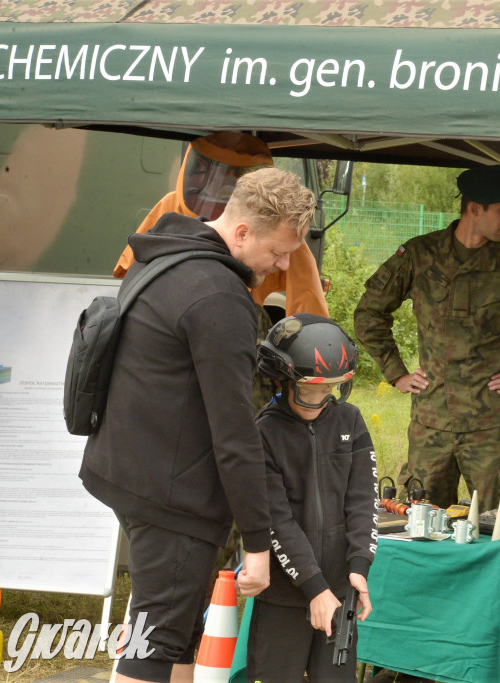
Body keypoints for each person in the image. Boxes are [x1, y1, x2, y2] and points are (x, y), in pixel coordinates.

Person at [80, 167, 316, 683]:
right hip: (173, 498)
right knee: (154, 644)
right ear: (242, 231)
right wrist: (258, 543)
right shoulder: (220, 297)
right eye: (278, 252)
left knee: (178, 634)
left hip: (133, 471)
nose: (282, 266)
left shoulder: (163, 256)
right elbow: (235, 434)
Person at [353, 164, 500, 514]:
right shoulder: (419, 255)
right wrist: (396, 372)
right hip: (430, 426)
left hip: (490, 429)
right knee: (421, 524)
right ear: (475, 208)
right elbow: (369, 312)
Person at [249, 314, 377, 683]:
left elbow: (363, 502)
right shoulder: (263, 433)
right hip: (284, 595)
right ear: (282, 379)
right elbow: (276, 520)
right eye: (308, 390)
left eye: (331, 389)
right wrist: (314, 587)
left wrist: (359, 567)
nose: (320, 400)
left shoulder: (351, 422)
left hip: (340, 591)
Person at [113, 131, 329, 318]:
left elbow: (307, 300)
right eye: (215, 176)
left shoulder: (277, 227)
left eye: (232, 177)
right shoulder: (172, 204)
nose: (220, 189)